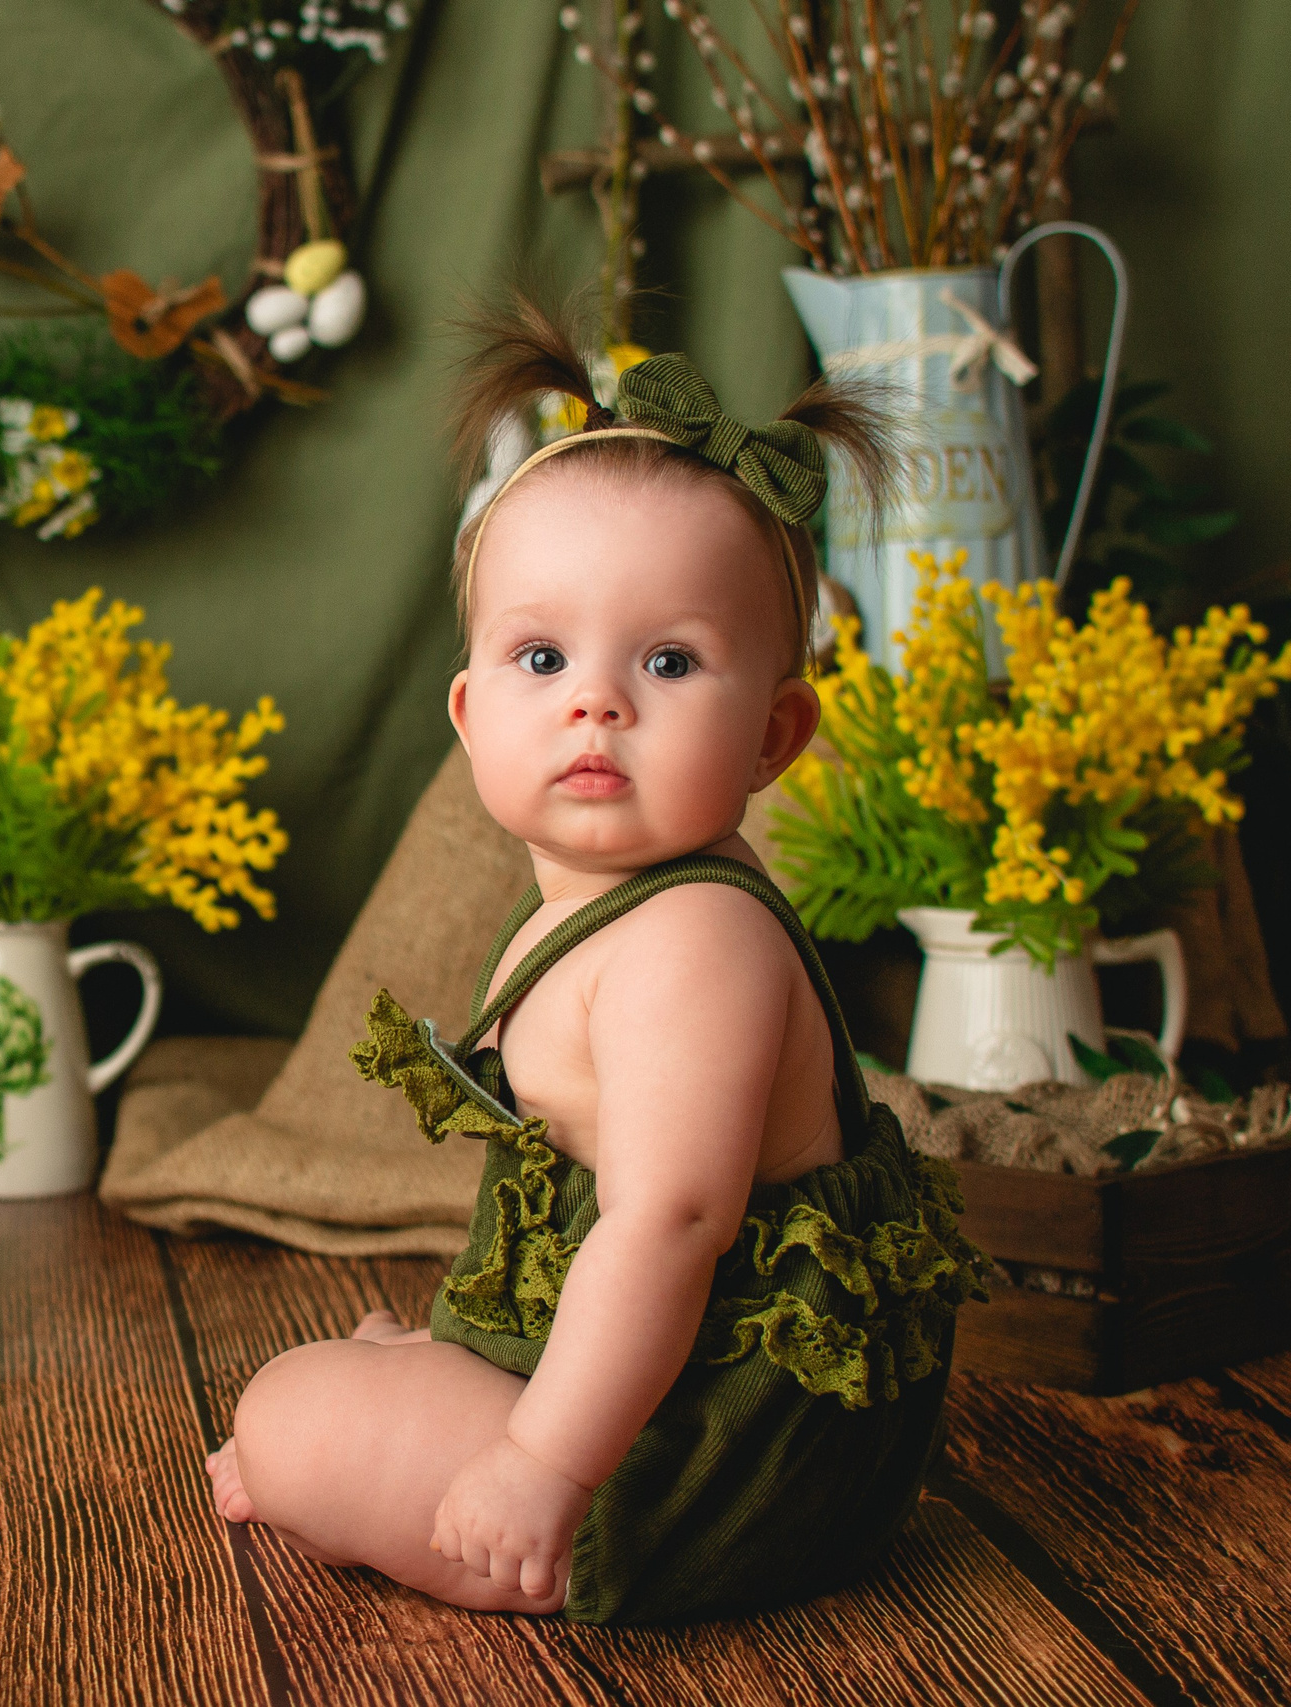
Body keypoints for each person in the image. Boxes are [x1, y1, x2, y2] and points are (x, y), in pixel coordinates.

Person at [202, 295, 988, 1624]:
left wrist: (541, 1464)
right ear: (471, 713)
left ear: (774, 738)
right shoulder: (598, 901)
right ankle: (448, 1404)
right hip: (654, 1373)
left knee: (287, 1414)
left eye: (670, 661)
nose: (596, 699)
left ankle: (542, 1519)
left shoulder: (696, 944)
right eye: (542, 654)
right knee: (354, 1383)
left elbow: (671, 1224)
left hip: (718, 1449)